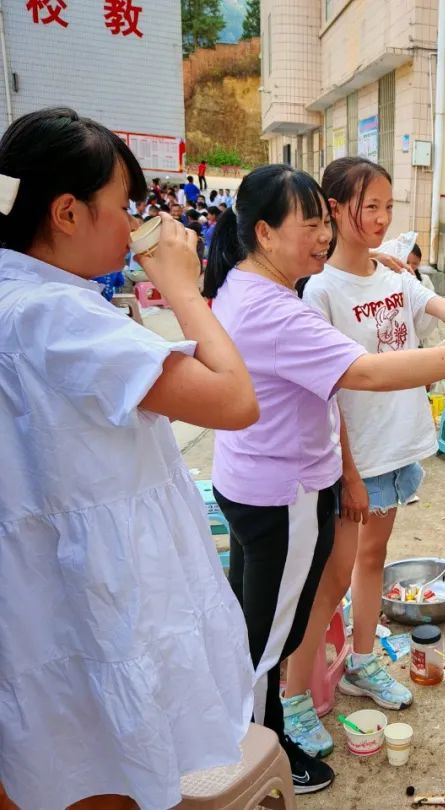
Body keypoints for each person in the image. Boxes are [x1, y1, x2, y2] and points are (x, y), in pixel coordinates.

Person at [204, 164, 445, 794]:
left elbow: (425, 310)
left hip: (280, 476)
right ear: (265, 231)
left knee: (276, 610)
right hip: (285, 488)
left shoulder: (273, 289)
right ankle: (261, 744)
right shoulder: (295, 302)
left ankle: (295, 704)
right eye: (310, 222)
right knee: (280, 620)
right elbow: (359, 376)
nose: (321, 236)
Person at [0, 107, 257, 810]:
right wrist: (182, 285)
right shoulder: (56, 317)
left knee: (54, 757)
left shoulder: (26, 299)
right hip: (90, 595)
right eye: (122, 207)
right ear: (66, 213)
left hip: (36, 595)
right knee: (109, 762)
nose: (133, 224)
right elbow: (235, 400)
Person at [285, 157, 445, 756]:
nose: (382, 219)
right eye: (371, 207)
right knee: (332, 575)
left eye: (389, 207)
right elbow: (326, 396)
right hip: (352, 459)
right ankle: (292, 699)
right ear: (335, 210)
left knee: (372, 560)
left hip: (395, 450)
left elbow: (441, 309)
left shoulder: (393, 277)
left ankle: (363, 659)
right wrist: (350, 473)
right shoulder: (321, 292)